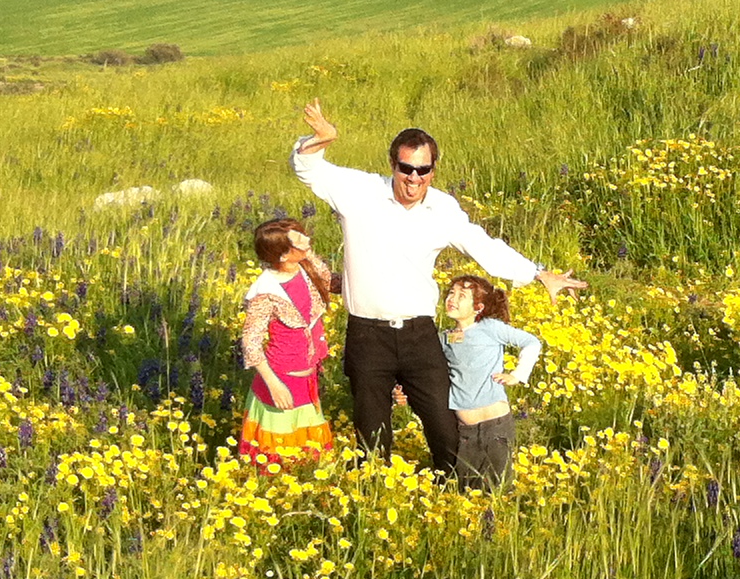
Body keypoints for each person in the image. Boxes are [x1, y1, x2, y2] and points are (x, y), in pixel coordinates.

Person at [291, 101, 583, 473]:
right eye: (406, 168)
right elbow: (307, 168)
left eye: (423, 170)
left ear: (433, 169)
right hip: (367, 335)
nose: (414, 178)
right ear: (392, 164)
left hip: (419, 335)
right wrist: (322, 139)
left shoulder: (443, 208)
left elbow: (483, 245)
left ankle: (458, 490)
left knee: (445, 426)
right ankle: (373, 492)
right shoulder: (361, 191)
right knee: (371, 432)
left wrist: (538, 273)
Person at [238, 217, 336, 468]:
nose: (307, 240)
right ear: (282, 255)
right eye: (298, 239)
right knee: (277, 456)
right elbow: (251, 341)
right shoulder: (265, 290)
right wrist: (274, 385)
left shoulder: (306, 269)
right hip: (282, 380)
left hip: (307, 379)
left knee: (309, 457)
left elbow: (326, 278)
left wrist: (305, 251)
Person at [441, 272, 541, 488]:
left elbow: (532, 342)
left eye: (461, 296)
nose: (452, 299)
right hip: (465, 430)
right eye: (451, 293)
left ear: (478, 307)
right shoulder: (445, 337)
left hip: (496, 425)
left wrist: (517, 375)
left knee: (499, 487)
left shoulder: (489, 328)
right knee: (468, 489)